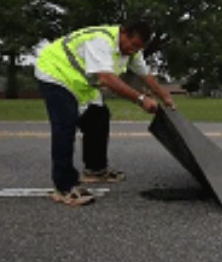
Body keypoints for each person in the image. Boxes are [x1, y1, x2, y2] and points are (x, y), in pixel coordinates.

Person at [35, 20, 176, 207]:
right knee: (65, 127)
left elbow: (146, 75)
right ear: (123, 33)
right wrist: (141, 99)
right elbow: (107, 78)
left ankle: (95, 170)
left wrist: (164, 96)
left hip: (80, 83)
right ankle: (64, 188)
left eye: (138, 48)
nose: (133, 51)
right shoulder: (100, 41)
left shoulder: (133, 51)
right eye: (132, 45)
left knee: (99, 117)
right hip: (55, 73)